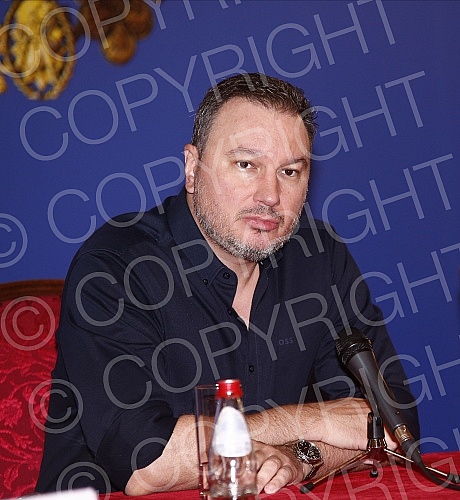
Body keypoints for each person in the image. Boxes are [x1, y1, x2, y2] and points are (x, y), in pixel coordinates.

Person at [36, 73, 419, 495]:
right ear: (192, 168)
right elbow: (148, 465)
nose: (270, 195)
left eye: (290, 171)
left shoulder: (320, 256)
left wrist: (300, 458)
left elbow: (389, 425)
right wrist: (310, 420)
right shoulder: (114, 267)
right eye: (246, 165)